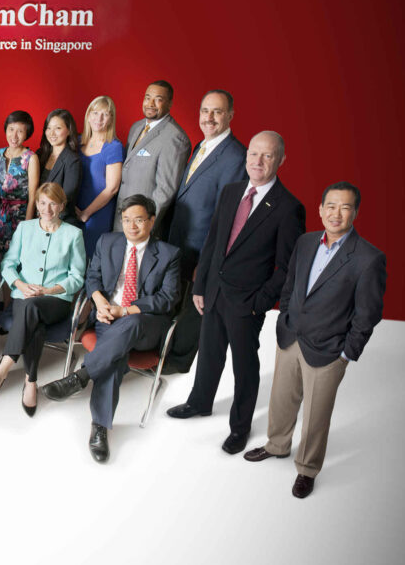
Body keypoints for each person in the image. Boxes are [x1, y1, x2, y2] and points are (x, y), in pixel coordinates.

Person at [167, 131, 305, 456]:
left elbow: (288, 268)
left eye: (267, 155)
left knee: (244, 366)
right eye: (253, 153)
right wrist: (201, 285)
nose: (258, 161)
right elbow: (213, 241)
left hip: (247, 302)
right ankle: (200, 402)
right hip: (214, 291)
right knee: (209, 352)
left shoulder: (288, 207)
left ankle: (240, 427)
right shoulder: (232, 191)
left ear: (281, 160)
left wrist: (260, 302)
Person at [244, 182, 385, 499]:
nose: (336, 213)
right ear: (320, 210)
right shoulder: (306, 242)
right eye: (330, 206)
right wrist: (284, 319)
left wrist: (347, 354)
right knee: (281, 400)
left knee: (316, 416)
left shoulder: (368, 258)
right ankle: (277, 445)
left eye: (345, 207)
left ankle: (307, 469)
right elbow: (290, 285)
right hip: (291, 336)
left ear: (355, 212)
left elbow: (368, 314)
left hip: (329, 349)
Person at [41, 195, 181, 462]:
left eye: (138, 220)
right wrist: (99, 301)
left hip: (145, 325)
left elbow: (167, 299)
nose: (131, 226)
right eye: (126, 220)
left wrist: (125, 311)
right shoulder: (108, 242)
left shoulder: (168, 254)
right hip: (107, 318)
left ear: (151, 221)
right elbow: (92, 277)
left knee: (132, 323)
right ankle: (100, 428)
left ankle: (80, 376)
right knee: (114, 359)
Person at [0, 183, 85, 415]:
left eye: (53, 203)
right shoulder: (25, 228)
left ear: (62, 206)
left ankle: (2, 369)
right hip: (24, 295)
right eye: (43, 203)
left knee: (31, 307)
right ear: (36, 205)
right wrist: (20, 284)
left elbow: (77, 277)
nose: (47, 209)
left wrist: (48, 291)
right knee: (33, 319)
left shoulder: (73, 234)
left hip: (56, 300)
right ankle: (31, 381)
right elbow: (8, 264)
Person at [163, 90, 247, 373]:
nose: (209, 117)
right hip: (180, 240)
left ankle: (178, 363)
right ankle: (164, 354)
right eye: (205, 110)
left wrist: (209, 260)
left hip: (202, 247)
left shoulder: (236, 157)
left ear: (230, 115)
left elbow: (227, 215)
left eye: (217, 112)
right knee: (177, 299)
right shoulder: (202, 145)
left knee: (192, 306)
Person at [116, 81, 190, 235]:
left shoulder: (175, 138)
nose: (151, 104)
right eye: (147, 97)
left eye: (158, 99)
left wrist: (145, 225)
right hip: (121, 217)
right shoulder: (136, 127)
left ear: (169, 104)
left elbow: (165, 190)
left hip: (141, 226)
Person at [76, 96, 123, 258]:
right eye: (95, 113)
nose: (99, 118)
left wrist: (86, 213)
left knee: (91, 258)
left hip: (97, 212)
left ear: (111, 119)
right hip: (73, 209)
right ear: (88, 115)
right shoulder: (77, 142)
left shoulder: (113, 146)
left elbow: (112, 188)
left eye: (105, 114)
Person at [0, 110, 39, 259]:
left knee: (17, 258)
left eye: (20, 131)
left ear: (27, 134)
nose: (14, 136)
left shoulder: (31, 158)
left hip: (20, 216)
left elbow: (33, 197)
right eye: (11, 129)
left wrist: (27, 226)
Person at [37, 109, 81, 225]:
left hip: (60, 220)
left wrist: (46, 212)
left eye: (58, 128)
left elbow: (67, 197)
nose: (52, 133)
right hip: (38, 218)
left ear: (69, 131)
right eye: (49, 128)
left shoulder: (72, 160)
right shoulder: (39, 154)